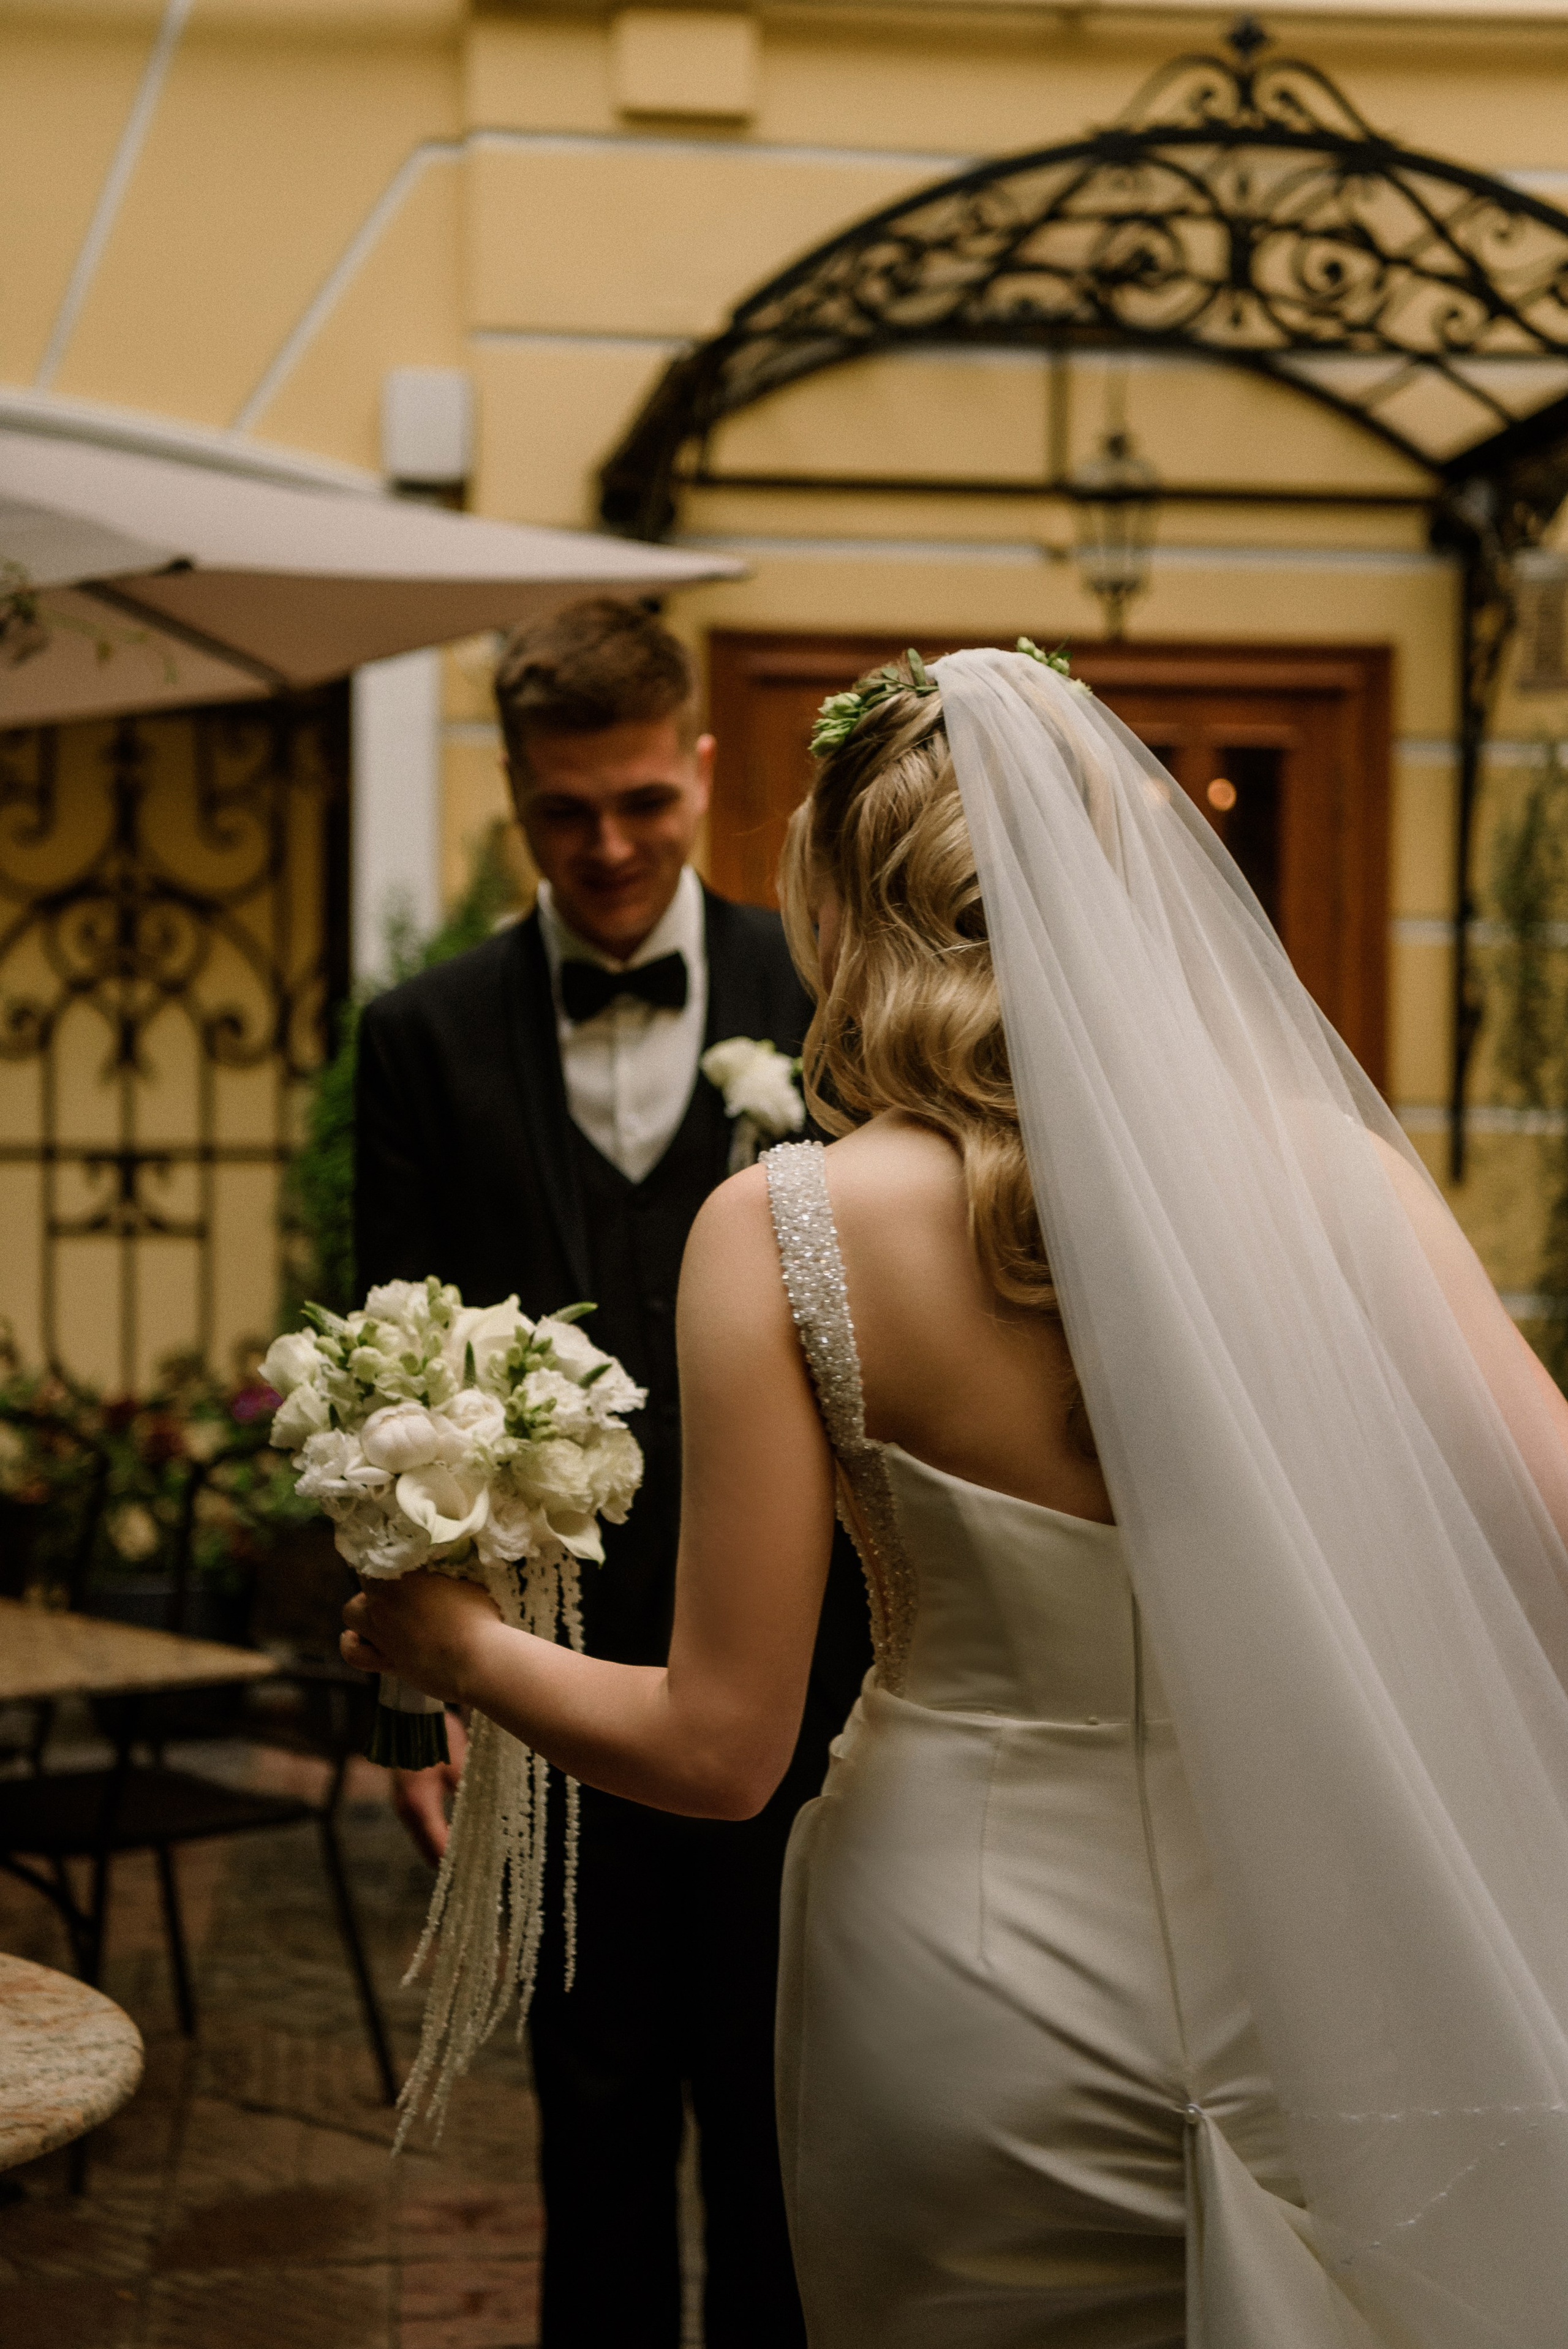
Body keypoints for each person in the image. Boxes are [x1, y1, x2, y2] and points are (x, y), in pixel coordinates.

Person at [346, 644, 1568, 2345]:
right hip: (1302, 1956)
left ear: (835, 919)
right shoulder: (1339, 1181)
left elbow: (721, 1750)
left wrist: (452, 1644)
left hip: (956, 1976)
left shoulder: (781, 1232)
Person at [353, 597, 869, 2349]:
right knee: (593, 2132)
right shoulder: (422, 1037)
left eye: (644, 800)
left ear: (703, 767)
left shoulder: (825, 996)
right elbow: (380, 1382)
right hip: (556, 1694)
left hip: (815, 1682)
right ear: (513, 796)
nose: (610, 845)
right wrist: (412, 1708)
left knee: (790, 2140)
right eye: (566, 810)